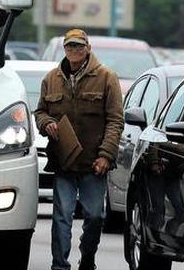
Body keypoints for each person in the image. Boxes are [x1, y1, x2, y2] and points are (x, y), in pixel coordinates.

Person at [34, 28, 124, 270]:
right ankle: (59, 266)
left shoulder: (107, 77)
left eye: (79, 46)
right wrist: (46, 123)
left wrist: (106, 155)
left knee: (95, 217)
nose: (74, 50)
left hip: (94, 164)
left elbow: (116, 120)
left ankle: (87, 259)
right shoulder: (51, 78)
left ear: (88, 48)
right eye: (70, 46)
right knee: (61, 219)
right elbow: (40, 112)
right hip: (63, 162)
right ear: (64, 49)